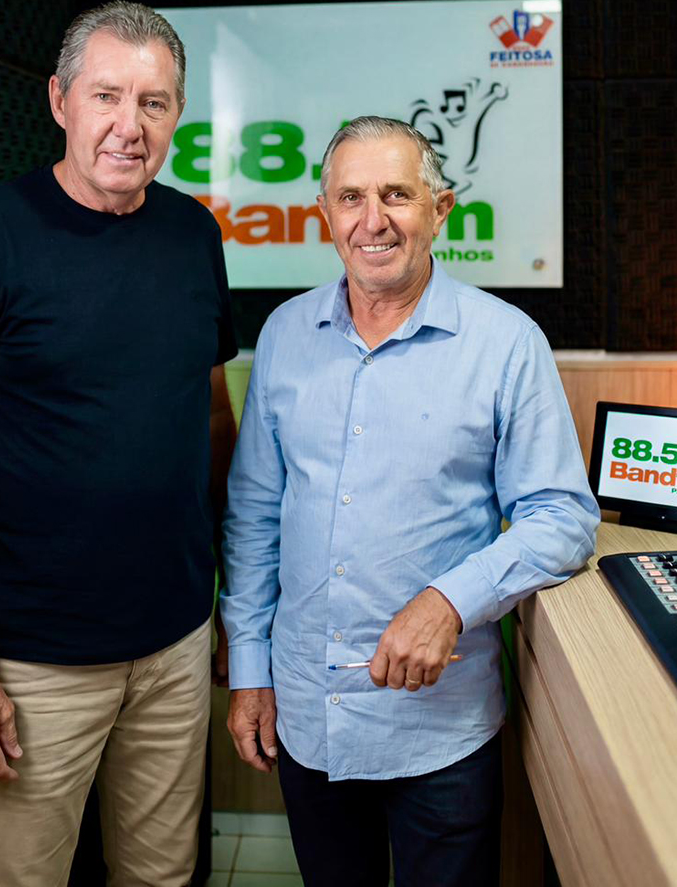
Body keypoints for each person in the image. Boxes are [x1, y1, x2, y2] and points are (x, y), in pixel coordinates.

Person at [0, 3, 237, 885]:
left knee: (162, 876)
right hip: (30, 661)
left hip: (175, 644)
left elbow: (212, 420)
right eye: (106, 96)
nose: (130, 125)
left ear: (178, 113)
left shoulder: (195, 235)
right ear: (59, 100)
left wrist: (232, 605)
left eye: (154, 103)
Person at [221, 116, 599, 887]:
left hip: (441, 729)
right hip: (309, 713)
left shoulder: (506, 342)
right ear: (324, 213)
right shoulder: (286, 334)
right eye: (351, 197)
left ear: (441, 208)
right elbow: (254, 516)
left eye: (397, 194)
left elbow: (563, 516)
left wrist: (450, 599)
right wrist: (250, 669)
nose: (374, 219)